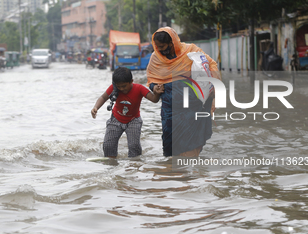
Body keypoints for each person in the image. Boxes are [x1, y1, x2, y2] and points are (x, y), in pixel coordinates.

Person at [146, 27, 221, 157]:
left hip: (192, 106)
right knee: (169, 144)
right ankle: (171, 172)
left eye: (162, 46)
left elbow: (210, 64)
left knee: (192, 143)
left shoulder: (191, 52)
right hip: (169, 109)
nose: (160, 50)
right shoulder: (155, 58)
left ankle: (189, 174)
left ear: (172, 42)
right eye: (157, 47)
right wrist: (154, 88)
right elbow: (152, 79)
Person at [91, 67, 164, 158]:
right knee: (108, 146)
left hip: (134, 120)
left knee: (134, 147)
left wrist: (156, 93)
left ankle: (134, 165)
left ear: (131, 81)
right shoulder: (113, 88)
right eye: (119, 86)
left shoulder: (139, 88)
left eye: (124, 86)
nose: (121, 89)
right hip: (116, 119)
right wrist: (95, 107)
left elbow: (154, 99)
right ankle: (111, 164)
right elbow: (103, 97)